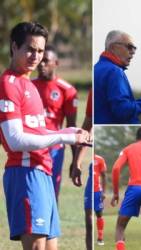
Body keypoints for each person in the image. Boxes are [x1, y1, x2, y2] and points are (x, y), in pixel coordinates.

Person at [0, 22, 90, 250]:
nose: (36, 56)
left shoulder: (28, 84)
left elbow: (37, 131)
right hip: (25, 173)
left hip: (43, 173)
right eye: (29, 49)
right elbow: (15, 140)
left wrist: (67, 131)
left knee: (51, 247)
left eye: (40, 51)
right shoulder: (8, 84)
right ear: (14, 47)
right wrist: (63, 138)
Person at [32, 45, 78, 201]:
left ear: (56, 63)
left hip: (54, 149)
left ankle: (52, 225)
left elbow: (71, 128)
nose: (41, 64)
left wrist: (75, 159)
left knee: (51, 194)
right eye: (40, 61)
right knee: (32, 193)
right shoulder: (29, 86)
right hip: (31, 146)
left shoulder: (67, 90)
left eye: (46, 61)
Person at [94, 30, 141, 124]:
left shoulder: (96, 68)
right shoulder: (114, 71)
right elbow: (122, 111)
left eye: (134, 48)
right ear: (113, 47)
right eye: (129, 47)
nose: (133, 52)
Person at [71, 88, 94, 250]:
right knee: (89, 217)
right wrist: (77, 163)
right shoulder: (94, 91)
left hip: (108, 163)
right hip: (95, 167)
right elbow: (87, 127)